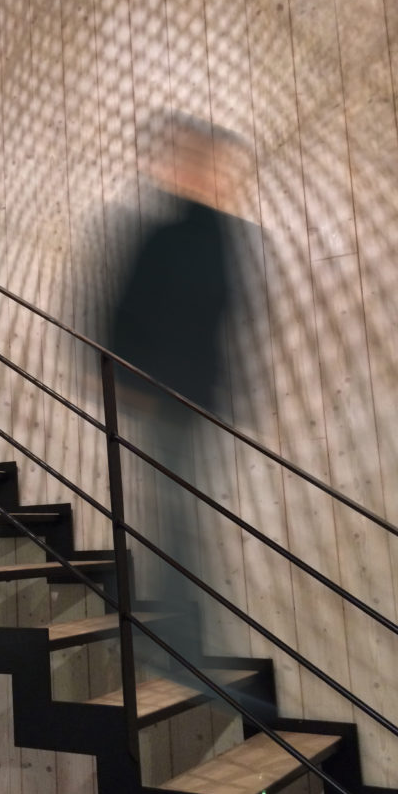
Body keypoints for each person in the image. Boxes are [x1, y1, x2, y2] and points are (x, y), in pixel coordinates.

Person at [107, 113, 259, 689]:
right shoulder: (161, 234)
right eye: (200, 159)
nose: (212, 172)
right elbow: (119, 317)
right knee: (176, 526)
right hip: (165, 400)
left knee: (183, 525)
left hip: (195, 402)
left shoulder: (220, 233)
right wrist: (133, 384)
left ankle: (182, 649)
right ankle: (179, 653)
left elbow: (224, 318)